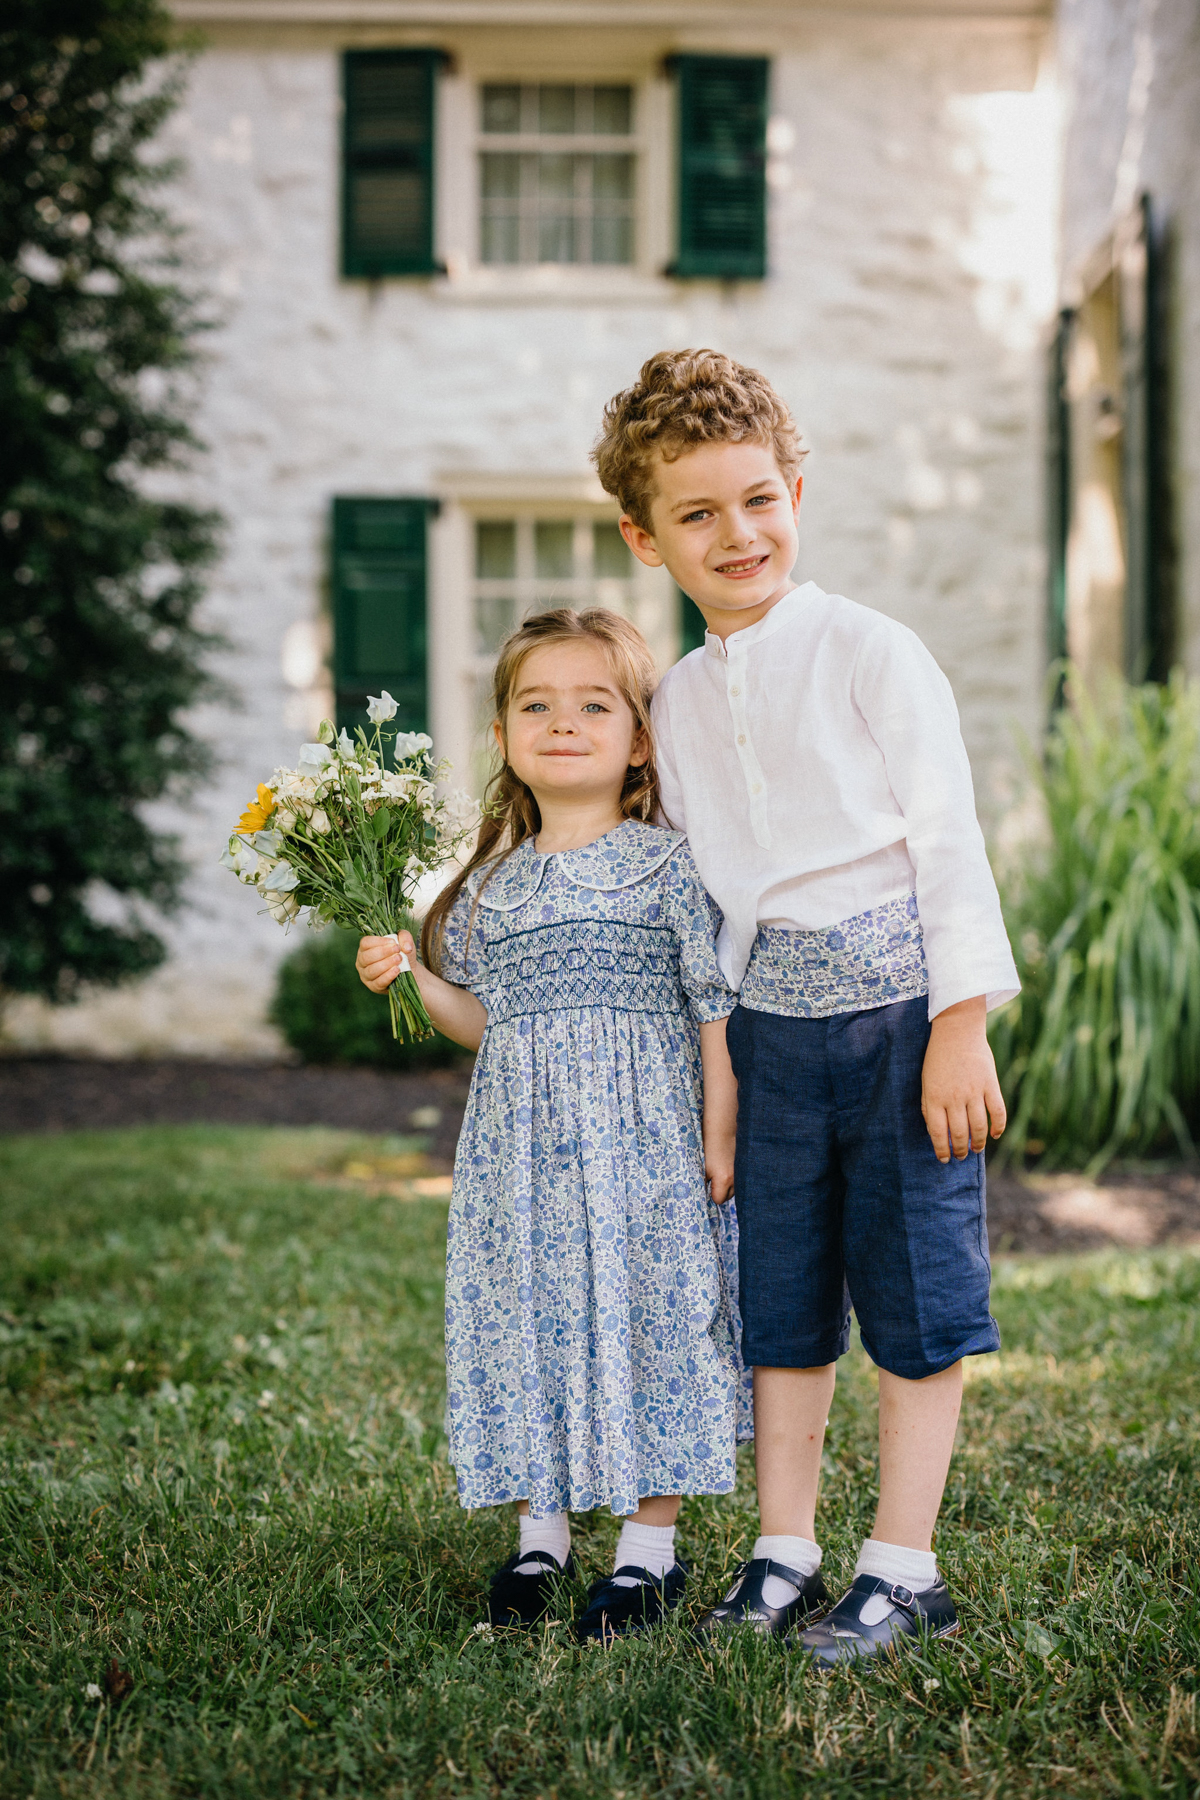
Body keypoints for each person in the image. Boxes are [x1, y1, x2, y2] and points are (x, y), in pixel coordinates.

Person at [593, 349, 1020, 1666]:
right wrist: (716, 1070)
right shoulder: (672, 702)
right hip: (772, 1043)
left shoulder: (870, 651)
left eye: (759, 498)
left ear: (796, 492)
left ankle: (905, 1565)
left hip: (900, 1022)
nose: (739, 534)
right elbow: (705, 901)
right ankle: (784, 1552)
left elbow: (948, 841)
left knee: (911, 1290)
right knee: (778, 1299)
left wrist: (962, 1021)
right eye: (699, 514)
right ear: (646, 537)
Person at [355, 607, 751, 1645]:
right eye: (537, 704)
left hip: (648, 1147)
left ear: (638, 739)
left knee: (650, 1317)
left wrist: (720, 1139)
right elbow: (485, 1020)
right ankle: (541, 1536)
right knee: (529, 1318)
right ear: (502, 738)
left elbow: (713, 1009)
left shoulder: (666, 866)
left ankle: (647, 1553)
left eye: (593, 704)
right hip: (520, 1156)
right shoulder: (491, 886)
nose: (563, 723)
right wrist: (412, 971)